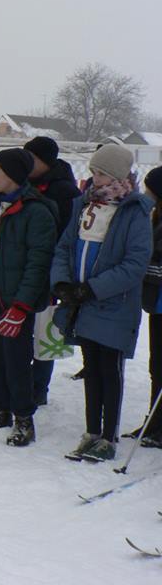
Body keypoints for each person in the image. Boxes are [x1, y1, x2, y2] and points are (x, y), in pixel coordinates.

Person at [53, 144, 152, 462]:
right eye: (94, 172)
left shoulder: (134, 211)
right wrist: (63, 283)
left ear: (118, 176)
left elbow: (134, 264)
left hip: (112, 303)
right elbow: (65, 246)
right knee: (91, 367)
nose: (94, 179)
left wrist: (92, 289)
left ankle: (108, 437)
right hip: (83, 302)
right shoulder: (83, 205)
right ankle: (91, 432)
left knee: (109, 368)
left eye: (101, 173)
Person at [0, 149, 57, 447]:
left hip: (16, 302)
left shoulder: (37, 211)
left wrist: (21, 306)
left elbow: (38, 264)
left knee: (17, 361)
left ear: (14, 176)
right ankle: (0, 410)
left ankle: (23, 418)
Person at [136, 166, 162, 448]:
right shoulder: (153, 219)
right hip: (156, 303)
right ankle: (154, 420)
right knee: (156, 364)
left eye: (150, 191)